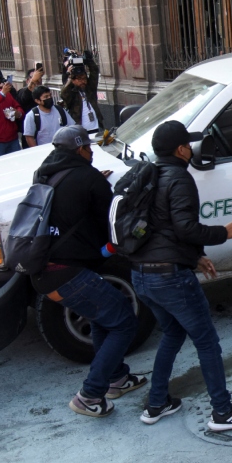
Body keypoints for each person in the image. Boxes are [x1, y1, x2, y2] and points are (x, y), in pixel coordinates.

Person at [128, 121, 232, 428]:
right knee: (206, 341)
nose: (191, 148)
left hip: (141, 276)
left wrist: (197, 257)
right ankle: (223, 411)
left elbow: (164, 229)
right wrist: (223, 233)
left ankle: (157, 403)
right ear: (181, 149)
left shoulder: (150, 174)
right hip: (169, 278)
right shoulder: (180, 178)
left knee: (173, 333)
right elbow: (185, 228)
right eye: (188, 144)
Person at [30, 125, 146, 417]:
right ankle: (90, 394)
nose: (92, 153)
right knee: (123, 322)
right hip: (68, 272)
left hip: (43, 269)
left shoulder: (44, 174)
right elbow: (111, 217)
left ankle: (117, 377)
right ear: (80, 149)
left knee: (102, 315)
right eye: (89, 149)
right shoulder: (88, 177)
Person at [59, 66, 100, 134]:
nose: (83, 81)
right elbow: (63, 93)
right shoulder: (72, 93)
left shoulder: (90, 90)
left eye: (84, 79)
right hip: (80, 129)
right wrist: (69, 76)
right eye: (79, 79)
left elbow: (94, 72)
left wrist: (88, 60)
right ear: (73, 81)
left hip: (95, 127)